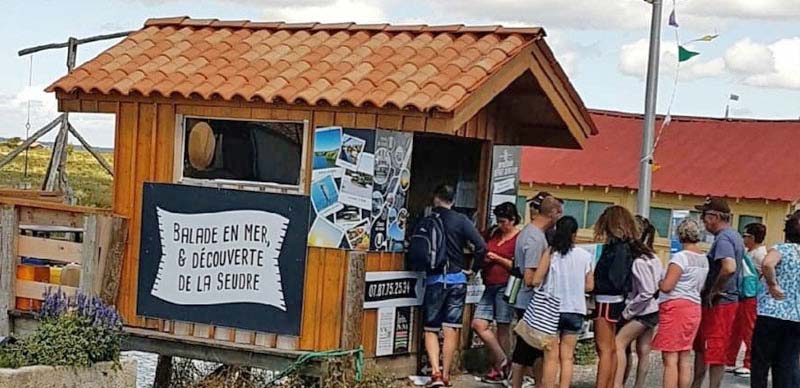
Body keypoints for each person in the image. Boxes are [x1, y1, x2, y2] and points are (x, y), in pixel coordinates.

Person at [421, 184, 487, 387]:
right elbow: (481, 247)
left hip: (434, 280)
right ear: (453, 200)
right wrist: (473, 269)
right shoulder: (462, 220)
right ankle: (447, 373)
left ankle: (435, 372)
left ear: (435, 198)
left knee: (430, 328)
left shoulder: (428, 220)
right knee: (451, 328)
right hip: (457, 280)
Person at [531, 216, 594, 388]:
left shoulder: (551, 253)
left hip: (551, 310)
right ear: (575, 234)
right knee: (567, 357)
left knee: (550, 357)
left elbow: (536, 280)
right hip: (575, 309)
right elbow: (589, 286)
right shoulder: (585, 256)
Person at [509, 193, 563, 388]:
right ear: (553, 214)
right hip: (529, 302)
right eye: (559, 215)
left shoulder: (529, 232)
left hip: (526, 300)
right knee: (527, 349)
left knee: (533, 350)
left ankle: (538, 383)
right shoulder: (535, 239)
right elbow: (530, 278)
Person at [691, 197, 745, 388]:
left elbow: (728, 267)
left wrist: (715, 289)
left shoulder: (723, 239)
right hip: (729, 301)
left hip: (720, 302)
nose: (702, 220)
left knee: (712, 348)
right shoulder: (735, 235)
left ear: (714, 216)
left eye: (704, 215)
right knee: (712, 348)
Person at [652, 218, 710, 388]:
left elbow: (668, 286)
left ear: (680, 234)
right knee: (684, 355)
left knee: (670, 357)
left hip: (675, 306)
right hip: (694, 306)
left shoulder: (680, 258)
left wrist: (659, 283)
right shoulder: (703, 259)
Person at [592, 206, 644, 388]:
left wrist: (594, 283)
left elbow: (615, 279)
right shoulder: (627, 247)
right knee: (612, 348)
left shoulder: (616, 248)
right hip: (617, 302)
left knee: (605, 349)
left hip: (606, 300)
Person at [750, 210, 800, 388]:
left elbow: (767, 263)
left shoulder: (781, 249)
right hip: (796, 316)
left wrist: (772, 284)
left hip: (772, 312)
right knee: (787, 363)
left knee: (761, 362)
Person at [471, 202, 520, 384]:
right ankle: (502, 361)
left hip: (506, 284)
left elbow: (517, 266)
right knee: (478, 323)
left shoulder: (518, 238)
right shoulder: (493, 233)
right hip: (489, 284)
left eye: (504, 222)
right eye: (498, 221)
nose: (501, 225)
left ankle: (501, 369)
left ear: (512, 220)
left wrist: (498, 259)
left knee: (503, 326)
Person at [615, 217, 662, 388]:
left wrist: (628, 312)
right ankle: (639, 384)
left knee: (619, 343)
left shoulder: (639, 262)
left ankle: (617, 382)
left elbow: (646, 291)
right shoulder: (654, 257)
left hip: (641, 310)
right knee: (644, 350)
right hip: (653, 309)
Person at [726, 222, 767, 377]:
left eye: (746, 236)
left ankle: (749, 363)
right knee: (736, 328)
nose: (743, 238)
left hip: (751, 296)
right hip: (743, 295)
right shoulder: (750, 252)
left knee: (749, 330)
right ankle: (730, 359)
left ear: (753, 237)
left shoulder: (760, 255)